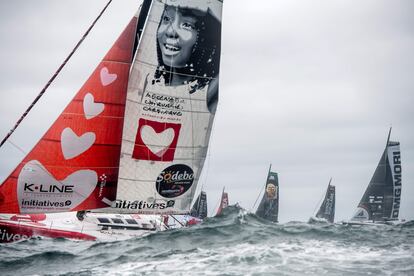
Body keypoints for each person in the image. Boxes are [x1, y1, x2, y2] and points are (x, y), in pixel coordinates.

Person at [153, 1, 222, 113]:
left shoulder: (212, 91)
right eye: (166, 19)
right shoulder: (148, 79)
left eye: (187, 25)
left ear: (207, 38)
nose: (170, 31)